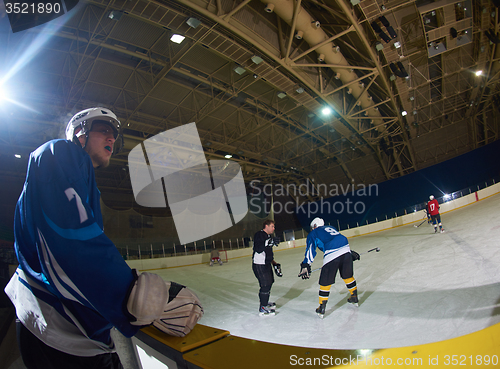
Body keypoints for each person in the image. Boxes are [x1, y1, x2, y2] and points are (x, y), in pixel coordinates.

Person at [4, 107, 203, 369]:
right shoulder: (59, 152)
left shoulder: (85, 180)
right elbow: (72, 239)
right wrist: (132, 293)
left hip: (77, 334)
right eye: (104, 130)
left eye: (114, 135)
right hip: (57, 330)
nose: (112, 139)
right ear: (80, 132)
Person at [298, 217, 360, 318]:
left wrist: (306, 264)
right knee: (347, 275)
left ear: (314, 226)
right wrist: (348, 252)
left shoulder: (314, 233)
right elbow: (337, 239)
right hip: (345, 248)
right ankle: (354, 296)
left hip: (332, 253)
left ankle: (321, 307)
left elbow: (311, 249)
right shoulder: (330, 227)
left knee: (325, 281)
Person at [252, 219, 282, 316]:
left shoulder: (268, 237)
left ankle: (264, 302)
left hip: (266, 263)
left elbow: (268, 253)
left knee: (269, 283)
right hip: (259, 264)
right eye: (272, 226)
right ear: (266, 226)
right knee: (265, 285)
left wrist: (274, 264)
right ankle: (263, 307)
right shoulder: (259, 235)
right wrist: (269, 242)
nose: (274, 228)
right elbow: (258, 249)